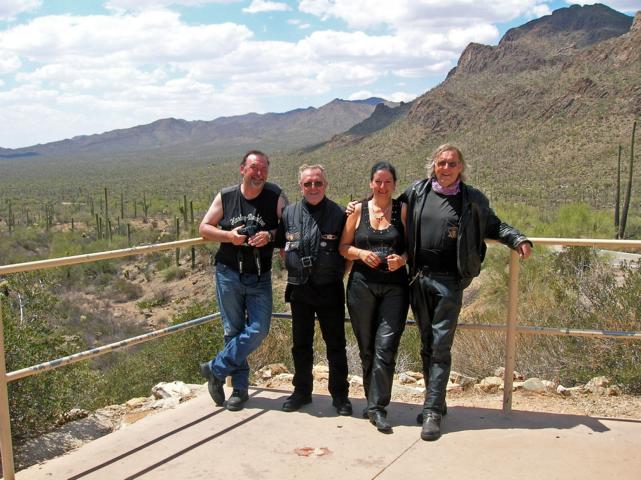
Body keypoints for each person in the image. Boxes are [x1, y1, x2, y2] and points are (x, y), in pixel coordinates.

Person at [403, 144, 532, 441]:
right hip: (418, 279)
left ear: (461, 167)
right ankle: (436, 400)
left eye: (452, 163)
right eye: (441, 163)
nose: (446, 168)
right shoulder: (417, 192)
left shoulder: (472, 199)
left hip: (450, 281)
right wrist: (357, 208)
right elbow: (390, 211)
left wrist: (517, 238)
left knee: (440, 345)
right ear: (433, 165)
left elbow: (494, 226)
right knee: (426, 343)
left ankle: (432, 412)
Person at [198, 150, 287, 411]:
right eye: (254, 167)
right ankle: (239, 389)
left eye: (263, 168)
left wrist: (269, 236)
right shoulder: (227, 196)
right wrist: (230, 236)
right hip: (228, 273)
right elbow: (204, 228)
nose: (259, 173)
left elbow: (289, 226)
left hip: (260, 275)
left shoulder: (275, 196)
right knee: (233, 331)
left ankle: (215, 369)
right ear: (242, 169)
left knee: (259, 329)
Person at [274, 164, 352, 416]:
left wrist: (337, 273)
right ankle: (301, 391)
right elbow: (283, 248)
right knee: (301, 344)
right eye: (308, 183)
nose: (313, 187)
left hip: (329, 288)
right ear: (301, 186)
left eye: (318, 183)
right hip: (300, 289)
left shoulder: (339, 213)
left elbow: (346, 251)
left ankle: (340, 396)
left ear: (325, 184)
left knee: (336, 345)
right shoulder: (289, 213)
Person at [339, 162, 409, 433]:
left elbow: (413, 247)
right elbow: (343, 247)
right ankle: (372, 401)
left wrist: (402, 259)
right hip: (362, 286)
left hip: (395, 288)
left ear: (394, 184)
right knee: (367, 347)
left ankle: (378, 407)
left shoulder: (402, 210)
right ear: (371, 183)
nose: (382, 186)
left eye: (387, 182)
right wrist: (360, 253)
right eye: (378, 181)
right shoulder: (357, 210)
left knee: (386, 346)